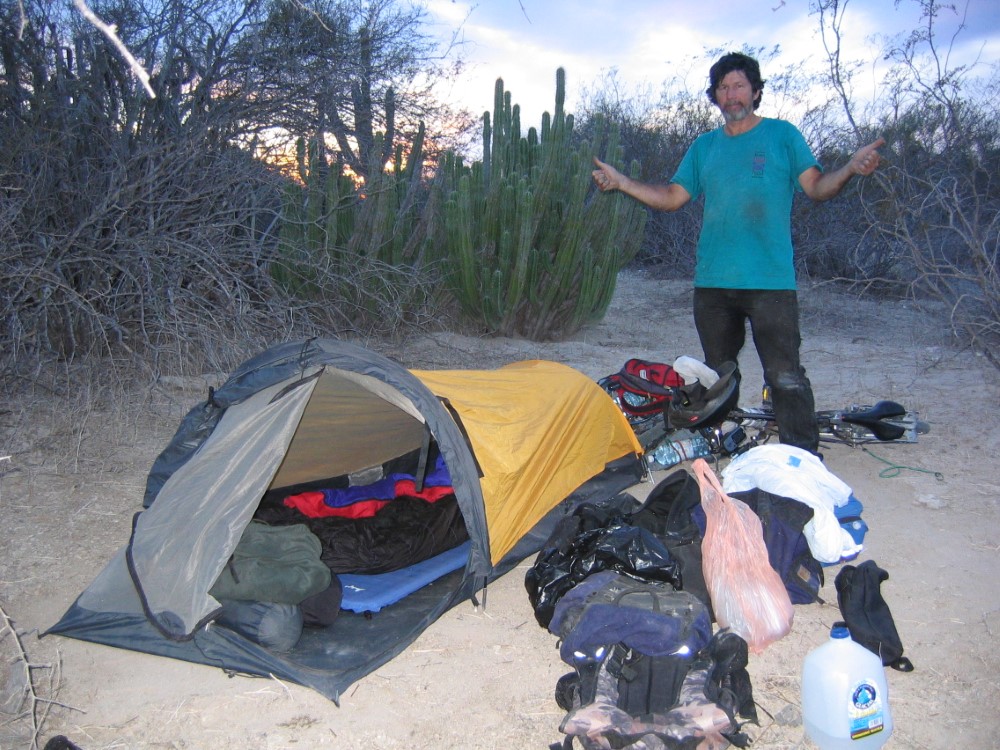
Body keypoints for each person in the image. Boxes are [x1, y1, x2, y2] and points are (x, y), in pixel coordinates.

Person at [592, 51, 884, 456]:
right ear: (715, 96)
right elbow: (673, 196)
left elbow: (817, 187)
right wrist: (624, 183)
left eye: (739, 86)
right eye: (723, 88)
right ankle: (720, 445)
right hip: (713, 283)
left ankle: (802, 457)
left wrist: (850, 168)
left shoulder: (783, 136)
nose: (731, 95)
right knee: (718, 376)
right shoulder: (704, 146)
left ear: (756, 91)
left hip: (770, 282)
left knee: (785, 376)